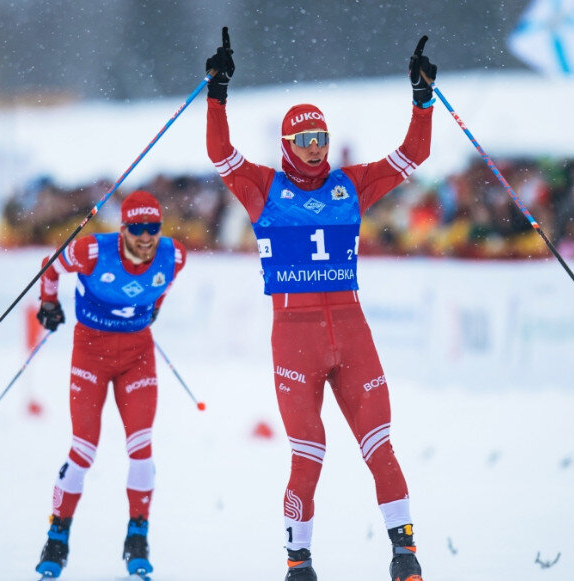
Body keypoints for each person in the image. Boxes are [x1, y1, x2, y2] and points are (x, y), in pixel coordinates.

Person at [204, 28, 436, 581]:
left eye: (320, 136)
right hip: (295, 336)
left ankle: (405, 553)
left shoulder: (351, 184)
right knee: (309, 454)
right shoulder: (262, 187)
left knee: (380, 445)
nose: (314, 146)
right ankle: (298, 561)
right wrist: (217, 94)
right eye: (304, 138)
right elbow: (219, 153)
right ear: (286, 144)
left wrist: (422, 99)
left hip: (352, 330)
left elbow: (415, 154)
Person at [33, 190, 187, 580]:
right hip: (91, 355)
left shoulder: (175, 256)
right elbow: (50, 266)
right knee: (83, 449)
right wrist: (49, 304)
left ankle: (138, 537)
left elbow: (162, 286)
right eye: (137, 228)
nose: (146, 236)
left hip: (138, 357)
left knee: (141, 447)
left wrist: (154, 310)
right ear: (123, 230)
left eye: (153, 228)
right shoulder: (91, 251)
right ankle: (58, 536)